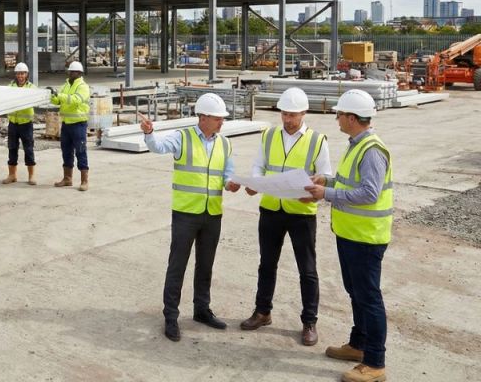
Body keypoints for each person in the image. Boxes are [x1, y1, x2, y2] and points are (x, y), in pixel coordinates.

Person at [303, 89, 392, 382]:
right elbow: (349, 181)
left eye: (340, 114)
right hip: (351, 234)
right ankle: (358, 345)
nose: (337, 118)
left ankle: (375, 363)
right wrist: (326, 179)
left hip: (366, 238)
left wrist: (325, 193)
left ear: (352, 118)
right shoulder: (357, 145)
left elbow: (369, 193)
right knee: (357, 294)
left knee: (369, 298)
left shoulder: (372, 150)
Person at [140, 93, 241, 341]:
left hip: (212, 213)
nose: (222, 123)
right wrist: (149, 133)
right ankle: (171, 316)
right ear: (203, 117)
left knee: (205, 265)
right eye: (218, 118)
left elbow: (227, 174)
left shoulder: (224, 143)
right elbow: (158, 146)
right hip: (186, 213)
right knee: (177, 266)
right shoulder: (183, 137)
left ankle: (201, 310)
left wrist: (231, 184)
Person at [240, 87, 332, 346]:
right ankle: (262, 312)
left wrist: (314, 195)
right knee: (266, 264)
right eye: (284, 113)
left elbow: (325, 174)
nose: (287, 119)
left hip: (301, 213)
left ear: (304, 113)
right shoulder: (269, 135)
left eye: (292, 114)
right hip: (271, 209)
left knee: (307, 270)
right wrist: (255, 182)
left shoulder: (317, 140)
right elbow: (259, 164)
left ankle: (309, 322)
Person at [49, 60, 90, 191]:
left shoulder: (83, 86)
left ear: (79, 73)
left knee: (81, 151)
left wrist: (59, 95)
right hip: (66, 123)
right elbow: (58, 100)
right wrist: (51, 95)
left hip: (78, 124)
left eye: (73, 72)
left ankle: (84, 181)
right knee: (66, 151)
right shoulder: (66, 85)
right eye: (70, 71)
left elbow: (75, 100)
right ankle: (67, 178)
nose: (71, 73)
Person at [3, 62, 37, 185]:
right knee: (12, 149)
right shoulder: (10, 87)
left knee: (28, 149)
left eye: (22, 73)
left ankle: (31, 176)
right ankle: (12, 175)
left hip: (26, 124)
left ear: (26, 74)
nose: (20, 76)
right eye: (18, 73)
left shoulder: (31, 88)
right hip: (13, 123)